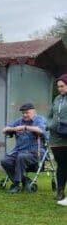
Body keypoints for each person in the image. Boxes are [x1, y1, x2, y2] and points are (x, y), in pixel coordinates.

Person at [1, 103, 46, 194]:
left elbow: (40, 130)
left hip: (35, 152)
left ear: (33, 112)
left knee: (21, 157)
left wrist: (25, 127)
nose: (24, 115)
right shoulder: (19, 121)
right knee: (5, 161)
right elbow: (4, 129)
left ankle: (16, 185)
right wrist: (13, 129)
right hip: (19, 151)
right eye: (23, 113)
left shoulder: (40, 119)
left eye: (27, 113)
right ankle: (25, 181)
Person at [48, 74, 67, 205]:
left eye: (62, 86)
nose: (60, 89)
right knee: (61, 165)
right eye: (58, 86)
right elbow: (50, 115)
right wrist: (49, 125)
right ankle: (60, 192)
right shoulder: (56, 99)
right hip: (56, 137)